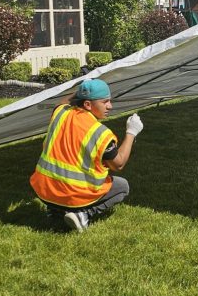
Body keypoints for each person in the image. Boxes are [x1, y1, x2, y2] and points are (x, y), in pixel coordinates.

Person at [30, 79, 144, 232]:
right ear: (88, 105)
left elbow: (63, 101)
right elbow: (119, 164)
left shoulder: (60, 113)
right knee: (122, 186)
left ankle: (55, 210)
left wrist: (83, 87)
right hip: (72, 195)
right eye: (105, 102)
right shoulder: (100, 133)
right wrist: (131, 132)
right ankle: (83, 214)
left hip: (44, 191)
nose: (110, 106)